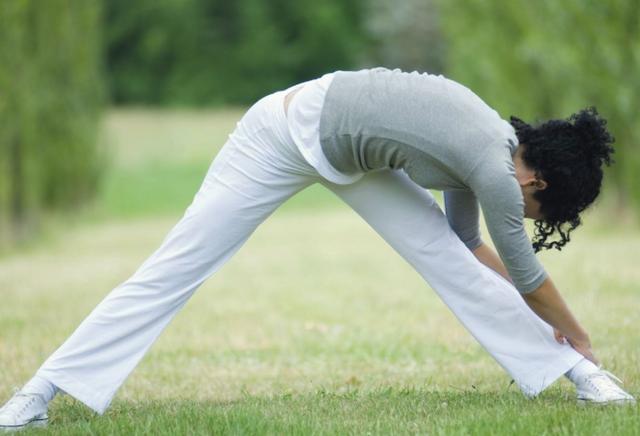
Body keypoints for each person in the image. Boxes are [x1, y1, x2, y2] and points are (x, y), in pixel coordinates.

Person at [0, 67, 634, 431]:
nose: (530, 217)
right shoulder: (496, 171)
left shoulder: (493, 150)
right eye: (543, 210)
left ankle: (581, 379)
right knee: (177, 264)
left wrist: (564, 343)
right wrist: (577, 329)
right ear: (537, 180)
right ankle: (43, 388)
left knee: (447, 259)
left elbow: (467, 245)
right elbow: (526, 273)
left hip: (357, 159)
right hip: (277, 133)